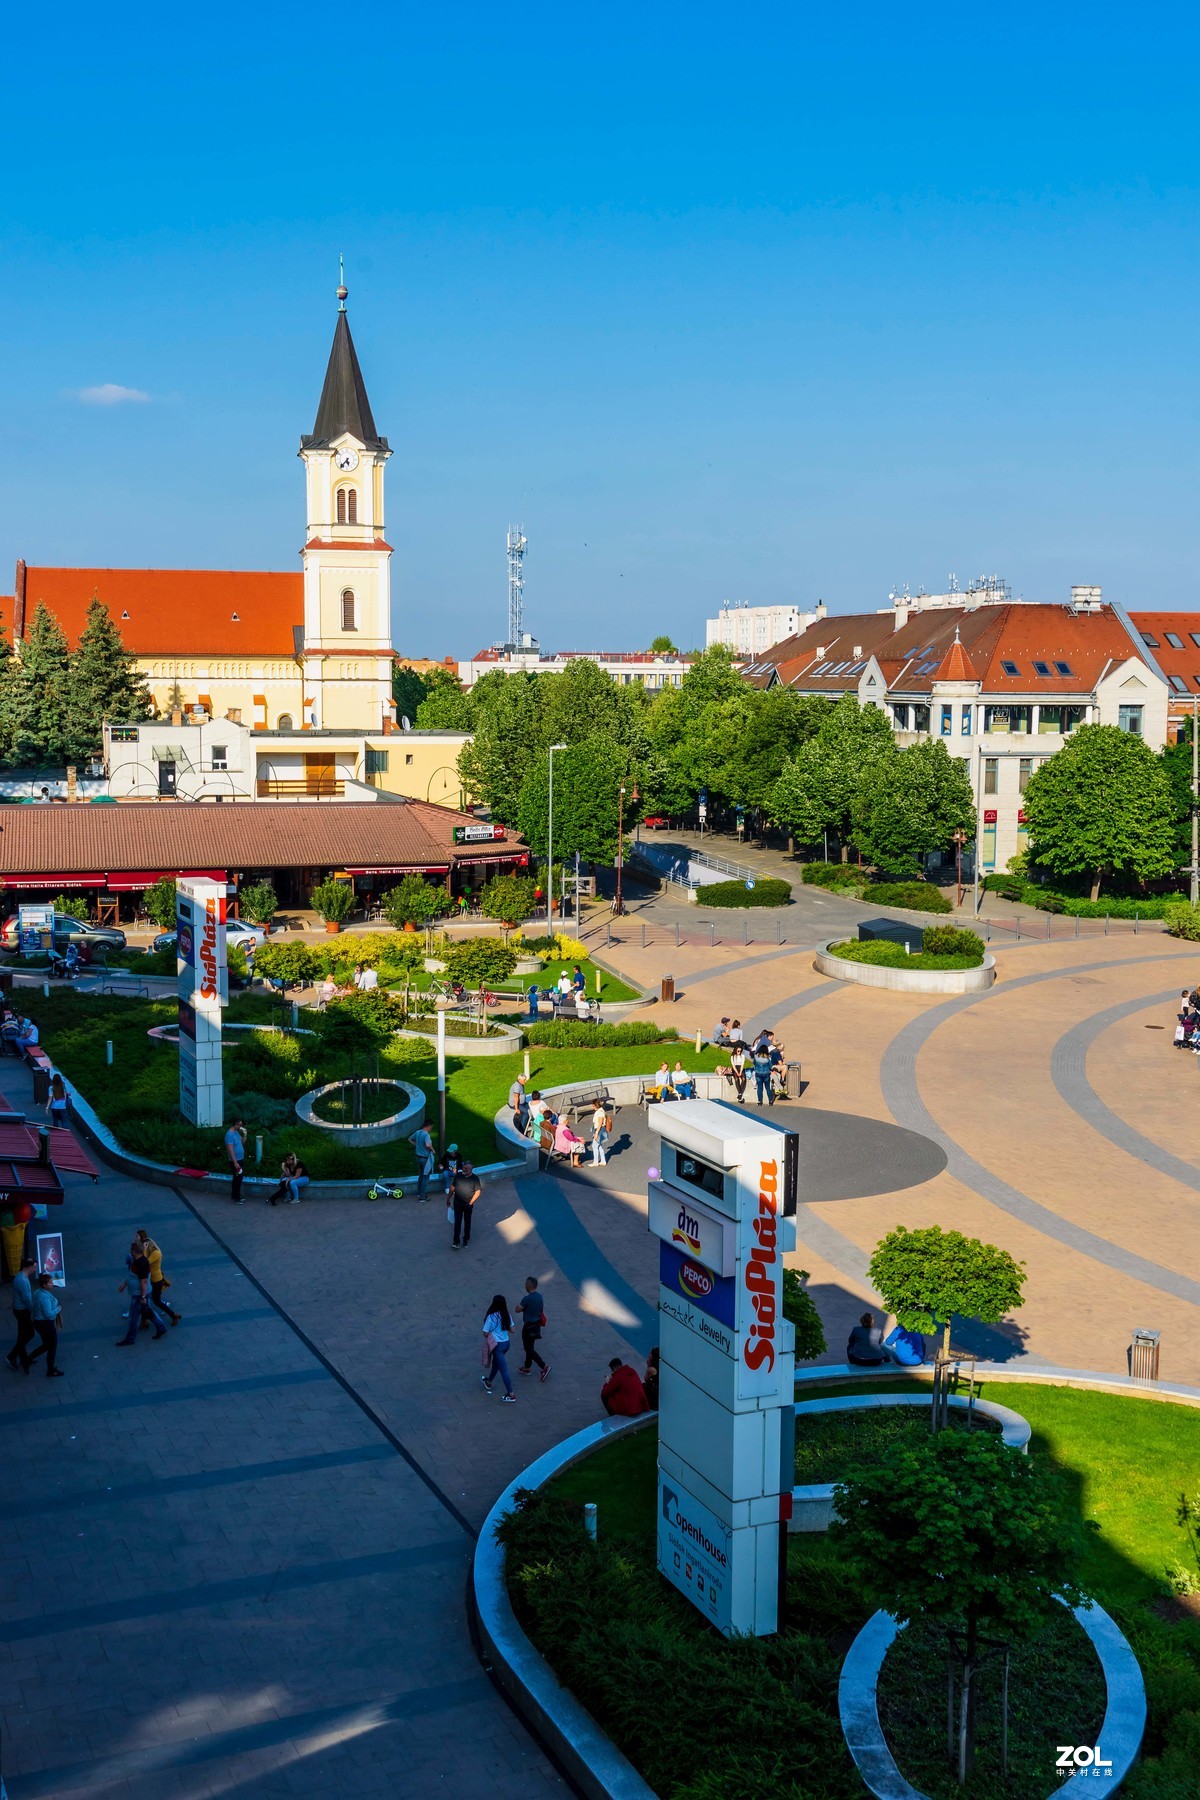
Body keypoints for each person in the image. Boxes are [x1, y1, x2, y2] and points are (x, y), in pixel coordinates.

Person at [116, 1246, 169, 1344]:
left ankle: (130, 1338)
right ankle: (161, 1328)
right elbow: (134, 1276)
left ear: (134, 1251)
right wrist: (125, 1284)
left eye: (131, 1250)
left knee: (133, 1317)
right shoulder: (138, 1261)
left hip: (138, 1295)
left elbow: (144, 1281)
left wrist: (143, 1297)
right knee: (148, 1311)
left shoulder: (141, 1263)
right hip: (141, 1293)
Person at [135, 1229, 181, 1326]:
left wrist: (144, 1250)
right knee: (145, 1300)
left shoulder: (156, 1253)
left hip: (156, 1280)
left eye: (146, 1245)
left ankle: (173, 1315)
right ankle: (144, 1321)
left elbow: (145, 1263)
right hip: (149, 1279)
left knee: (156, 1301)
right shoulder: (150, 1252)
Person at [481, 1293, 516, 1400]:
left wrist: (492, 1332)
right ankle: (489, 1381)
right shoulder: (506, 1314)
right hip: (506, 1344)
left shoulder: (491, 1317)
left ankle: (511, 1394)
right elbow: (513, 1330)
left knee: (503, 1370)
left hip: (497, 1346)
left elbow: (485, 1332)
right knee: (496, 1362)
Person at [28, 1273, 63, 1376]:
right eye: (50, 1282)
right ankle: (51, 1370)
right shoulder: (45, 1298)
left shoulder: (37, 1292)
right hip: (46, 1324)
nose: (52, 1284)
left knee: (46, 1345)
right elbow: (48, 1314)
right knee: (52, 1346)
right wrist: (58, 1309)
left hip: (39, 1323)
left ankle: (28, 1359)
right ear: (44, 1285)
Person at [6, 1254, 36, 1373]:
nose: (35, 1269)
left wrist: (13, 1302)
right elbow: (27, 1299)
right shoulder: (23, 1281)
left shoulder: (19, 1276)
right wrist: (34, 1311)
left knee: (23, 1334)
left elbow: (16, 1292)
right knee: (29, 1334)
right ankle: (12, 1356)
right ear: (28, 1267)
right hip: (22, 1311)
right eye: (34, 1267)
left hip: (18, 1309)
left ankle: (24, 1358)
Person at [517, 1275, 550, 1380]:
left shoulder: (526, 1299)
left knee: (528, 1349)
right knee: (530, 1347)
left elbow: (518, 1309)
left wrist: (519, 1308)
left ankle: (544, 1366)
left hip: (528, 1327)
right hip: (536, 1326)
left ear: (529, 1285)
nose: (525, 1285)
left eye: (526, 1283)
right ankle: (527, 1368)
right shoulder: (540, 1296)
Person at [451, 1161, 481, 1248]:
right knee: (457, 1222)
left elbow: (478, 1192)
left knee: (467, 1222)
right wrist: (448, 1198)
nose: (464, 1169)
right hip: (457, 1203)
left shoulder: (475, 1178)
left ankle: (466, 1239)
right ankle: (456, 1241)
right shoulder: (458, 1175)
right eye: (463, 1167)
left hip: (468, 1204)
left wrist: (470, 1203)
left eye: (466, 1169)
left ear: (471, 1170)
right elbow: (453, 1187)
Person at [224, 1117, 247, 1203]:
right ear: (235, 1124)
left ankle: (237, 1195)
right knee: (237, 1178)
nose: (241, 1126)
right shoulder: (229, 1135)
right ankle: (235, 1197)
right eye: (239, 1125)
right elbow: (230, 1150)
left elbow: (242, 1143)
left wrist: (245, 1135)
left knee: (239, 1178)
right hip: (235, 1160)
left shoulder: (236, 1132)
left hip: (240, 1159)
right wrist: (235, 1162)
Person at [413, 1121, 435, 1200]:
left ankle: (419, 1193)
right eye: (431, 1127)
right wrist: (432, 1150)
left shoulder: (418, 1132)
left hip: (418, 1157)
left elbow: (410, 1139)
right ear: (429, 1126)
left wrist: (417, 1145)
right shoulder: (426, 1135)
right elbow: (428, 1144)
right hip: (425, 1159)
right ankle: (422, 1196)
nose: (431, 1128)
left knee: (421, 1175)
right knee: (426, 1177)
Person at [752, 1041, 774, 1107]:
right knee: (767, 1088)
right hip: (766, 1074)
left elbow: (754, 1063)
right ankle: (770, 1101)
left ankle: (760, 1101)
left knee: (759, 1088)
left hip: (758, 1073)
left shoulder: (756, 1056)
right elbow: (771, 1066)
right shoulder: (768, 1057)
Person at [590, 1098, 609, 1166]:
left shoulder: (600, 1112)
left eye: (593, 1105)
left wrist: (596, 1133)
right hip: (599, 1130)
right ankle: (603, 1161)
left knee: (594, 1146)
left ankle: (595, 1162)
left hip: (599, 1130)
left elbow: (600, 1124)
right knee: (599, 1146)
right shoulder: (600, 1111)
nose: (592, 1107)